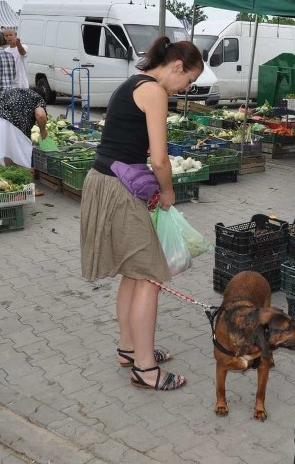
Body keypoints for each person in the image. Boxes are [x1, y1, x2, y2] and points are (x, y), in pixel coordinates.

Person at [80, 36, 203, 391]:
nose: (186, 88)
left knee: (133, 275)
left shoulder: (132, 84)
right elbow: (160, 158)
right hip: (119, 189)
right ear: (177, 66)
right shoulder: (154, 92)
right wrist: (167, 192)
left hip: (106, 182)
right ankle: (146, 369)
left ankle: (129, 349)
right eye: (189, 80)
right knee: (150, 275)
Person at [0, 88, 49, 170]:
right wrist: (43, 131)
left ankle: (10, 175)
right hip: (13, 120)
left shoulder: (16, 90)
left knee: (7, 151)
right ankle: (23, 178)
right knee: (20, 156)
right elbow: (40, 115)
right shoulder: (38, 98)